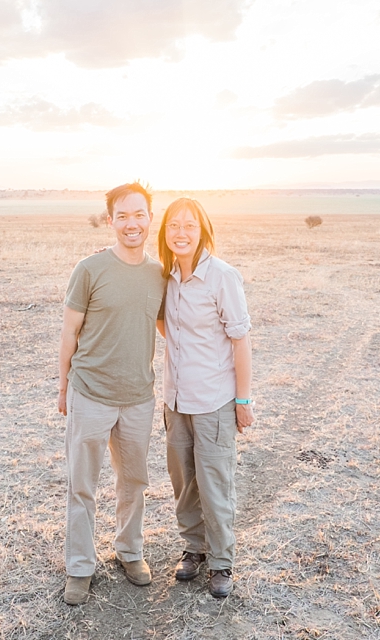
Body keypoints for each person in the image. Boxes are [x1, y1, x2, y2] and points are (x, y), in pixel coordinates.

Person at [57, 182, 166, 605]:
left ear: (149, 219)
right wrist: (63, 386)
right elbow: (69, 331)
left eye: (139, 214)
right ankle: (80, 567)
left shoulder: (159, 273)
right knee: (82, 484)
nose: (131, 223)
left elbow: (163, 326)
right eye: (122, 216)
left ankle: (130, 551)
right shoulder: (89, 269)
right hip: (91, 393)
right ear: (110, 221)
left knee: (133, 481)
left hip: (138, 396)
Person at [156, 197, 254, 598]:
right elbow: (163, 324)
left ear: (203, 230)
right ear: (165, 233)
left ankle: (221, 562)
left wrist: (243, 401)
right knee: (184, 483)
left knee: (215, 483)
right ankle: (193, 550)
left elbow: (240, 339)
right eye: (173, 225)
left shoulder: (222, 277)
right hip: (175, 401)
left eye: (189, 225)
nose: (181, 232)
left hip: (214, 401)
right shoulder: (163, 276)